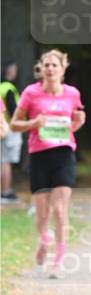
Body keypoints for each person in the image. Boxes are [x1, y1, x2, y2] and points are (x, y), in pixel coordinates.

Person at [10, 50, 85, 277]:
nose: (50, 69)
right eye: (47, 65)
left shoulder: (72, 93)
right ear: (41, 69)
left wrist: (78, 123)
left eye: (55, 65)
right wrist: (34, 122)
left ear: (63, 69)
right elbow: (14, 124)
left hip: (63, 154)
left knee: (60, 210)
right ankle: (44, 240)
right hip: (39, 155)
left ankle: (58, 262)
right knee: (42, 213)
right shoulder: (31, 93)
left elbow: (76, 120)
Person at [1, 61, 22, 201]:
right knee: (6, 161)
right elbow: (12, 109)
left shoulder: (1, 86)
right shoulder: (9, 88)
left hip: (3, 127)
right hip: (9, 127)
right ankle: (6, 191)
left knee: (2, 160)